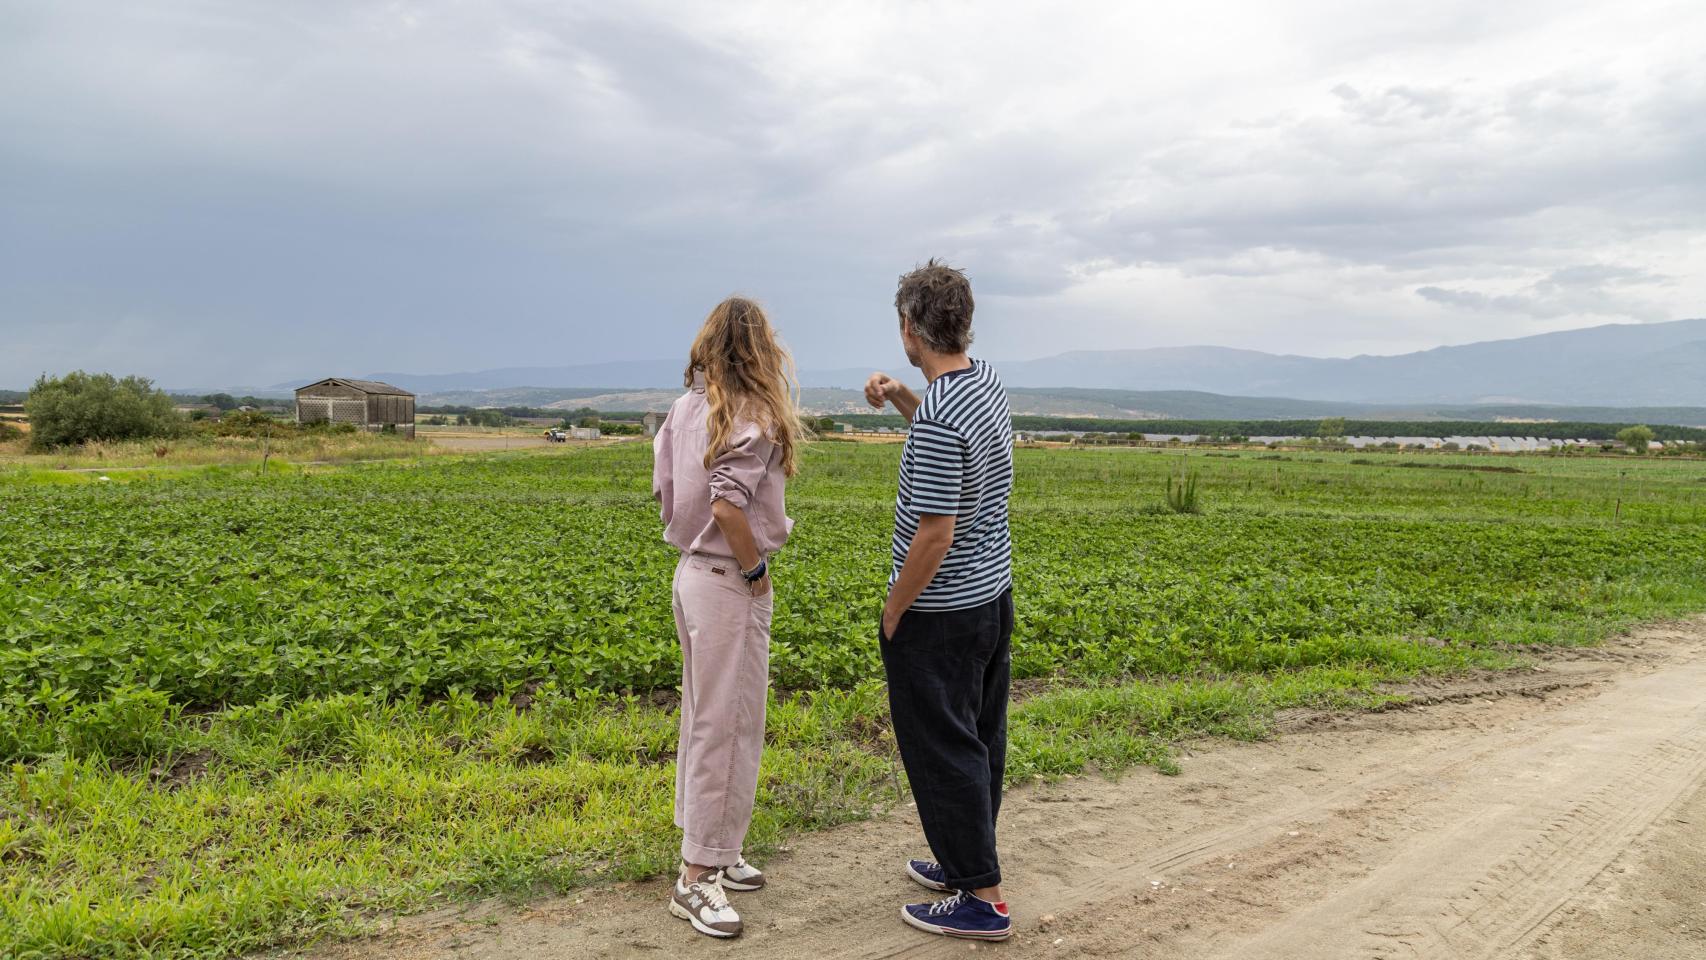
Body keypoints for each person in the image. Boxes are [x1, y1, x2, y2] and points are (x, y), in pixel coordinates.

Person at [865, 260, 1016, 941]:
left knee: (942, 747)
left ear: (908, 328)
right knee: (979, 736)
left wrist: (895, 610)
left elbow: (934, 532)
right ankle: (965, 859)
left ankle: (981, 897)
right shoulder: (982, 386)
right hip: (990, 597)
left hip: (941, 614)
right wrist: (902, 395)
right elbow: (948, 431)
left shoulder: (939, 420)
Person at [652, 296, 801, 939]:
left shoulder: (686, 409)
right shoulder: (755, 414)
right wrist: (755, 573)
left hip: (689, 574)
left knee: (705, 718)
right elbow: (729, 505)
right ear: (760, 349)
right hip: (725, 580)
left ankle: (716, 848)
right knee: (729, 722)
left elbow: (667, 492)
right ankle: (696, 877)